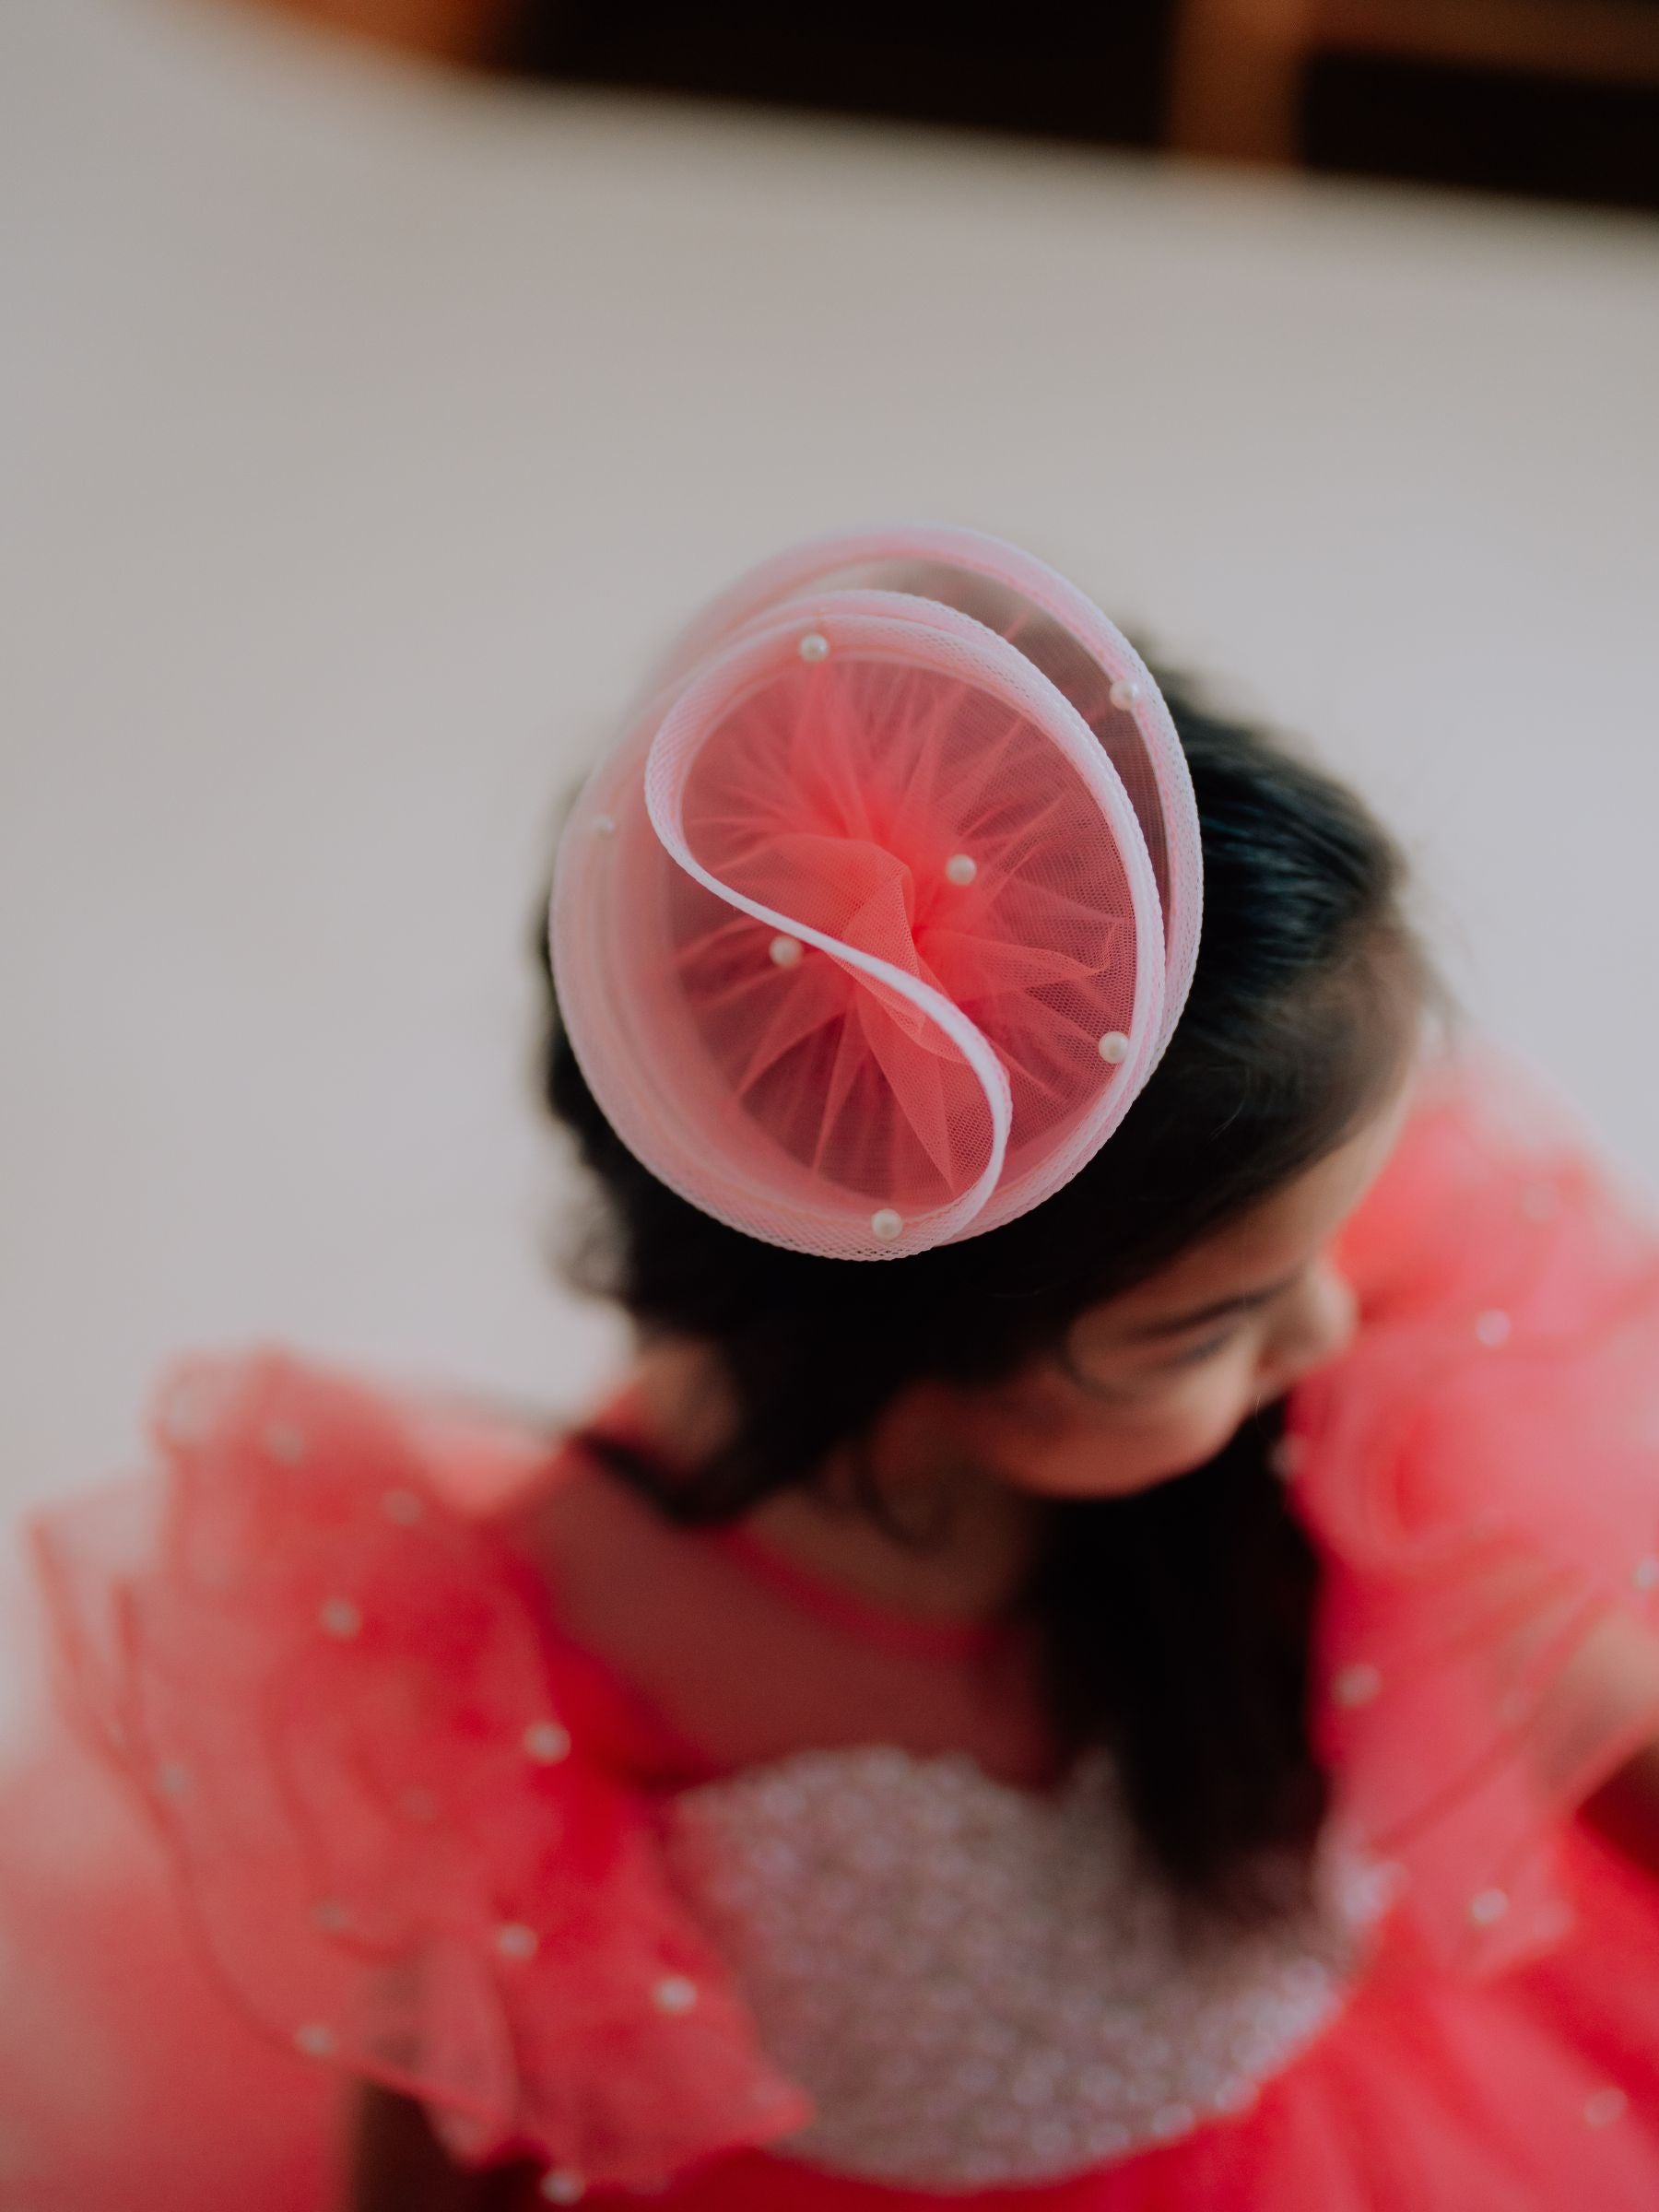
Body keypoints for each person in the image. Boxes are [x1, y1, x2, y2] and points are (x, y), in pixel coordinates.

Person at [7, 525, 1659, 2212]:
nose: (1327, 1325)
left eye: (1329, 1243)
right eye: (1212, 1325)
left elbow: (1611, 1738)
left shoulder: (1368, 1403)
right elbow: (461, 2130)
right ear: (913, 1352)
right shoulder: (548, 1650)